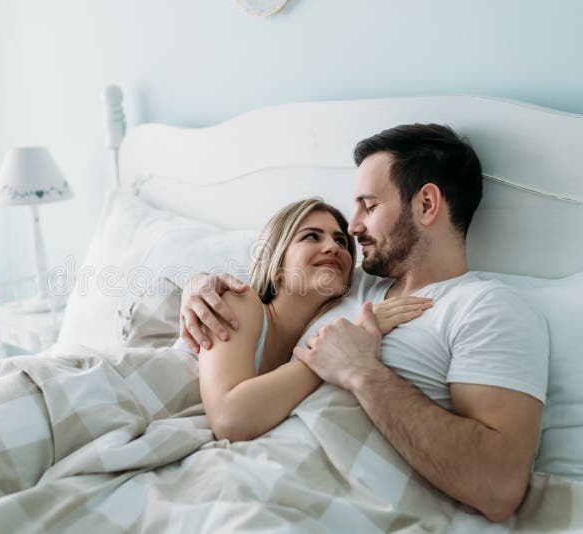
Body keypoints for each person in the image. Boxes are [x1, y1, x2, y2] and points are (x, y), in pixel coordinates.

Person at [178, 124, 548, 523]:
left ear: (426, 204)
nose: (351, 231)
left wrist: (361, 372)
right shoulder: (345, 285)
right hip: (230, 479)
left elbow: (499, 486)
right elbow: (270, 284)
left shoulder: (485, 308)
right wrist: (199, 287)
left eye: (368, 207)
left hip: (303, 507)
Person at [189, 198, 433, 443]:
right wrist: (335, 355)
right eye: (311, 237)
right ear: (277, 264)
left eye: (341, 241)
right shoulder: (240, 302)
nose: (334, 247)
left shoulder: (295, 348)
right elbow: (229, 420)